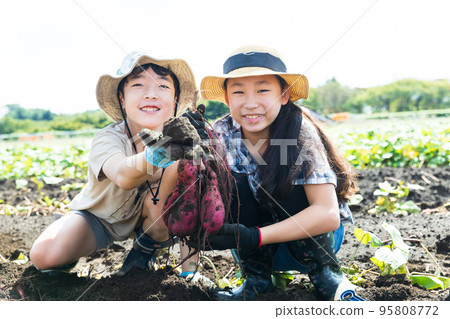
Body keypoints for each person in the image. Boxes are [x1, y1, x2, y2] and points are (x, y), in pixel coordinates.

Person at [196, 45, 364, 301]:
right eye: (239, 92)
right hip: (257, 249)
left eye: (263, 90)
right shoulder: (219, 134)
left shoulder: (299, 133)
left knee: (287, 179)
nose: (251, 103)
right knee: (232, 183)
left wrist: (256, 236)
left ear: (284, 95)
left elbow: (328, 215)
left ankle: (327, 276)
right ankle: (257, 281)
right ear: (228, 100)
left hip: (314, 240)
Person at [30, 51, 202, 278]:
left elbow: (188, 206)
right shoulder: (109, 138)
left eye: (163, 87)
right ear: (122, 98)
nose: (151, 94)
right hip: (99, 218)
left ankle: (144, 252)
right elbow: (123, 175)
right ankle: (67, 243)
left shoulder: (184, 143)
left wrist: (190, 273)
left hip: (153, 216)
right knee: (44, 256)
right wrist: (159, 154)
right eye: (138, 85)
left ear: (176, 100)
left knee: (182, 173)